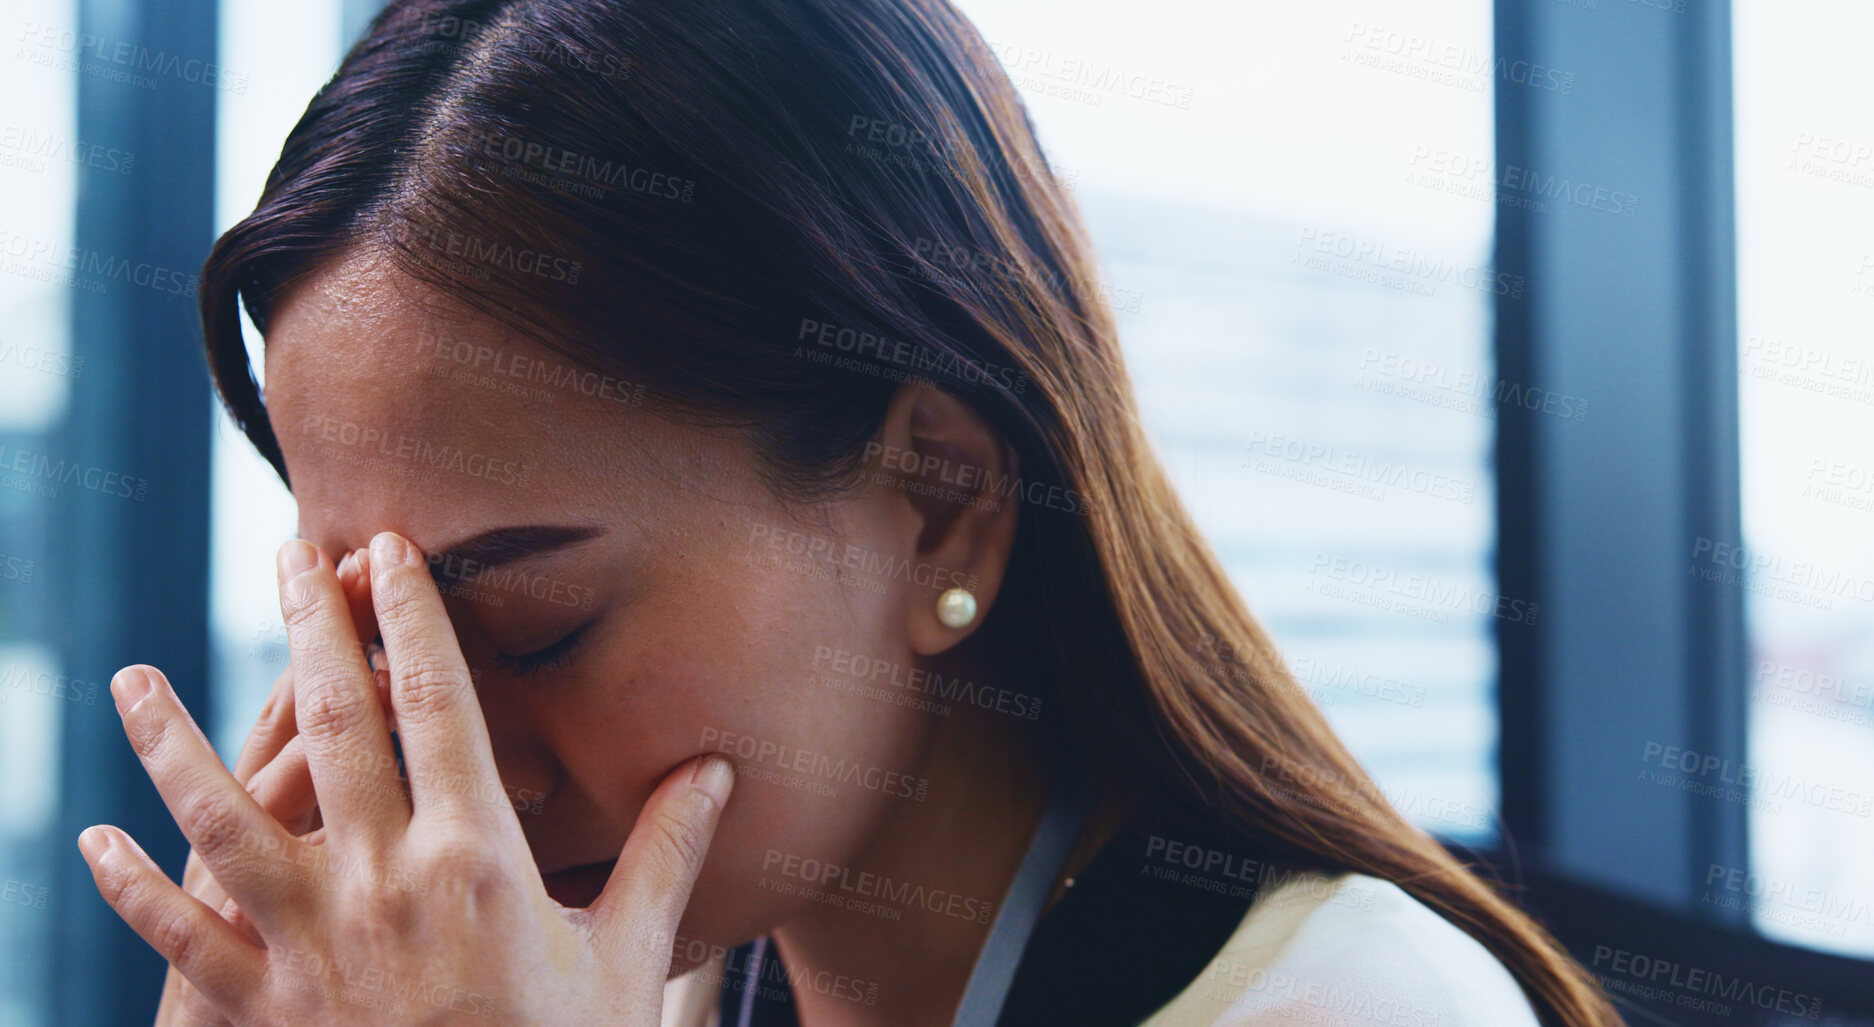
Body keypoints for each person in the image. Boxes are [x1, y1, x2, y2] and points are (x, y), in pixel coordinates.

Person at [76, 0, 1623, 1023]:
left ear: (939, 502)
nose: (450, 779)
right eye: (374, 634)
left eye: (532, 624)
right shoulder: (639, 973)